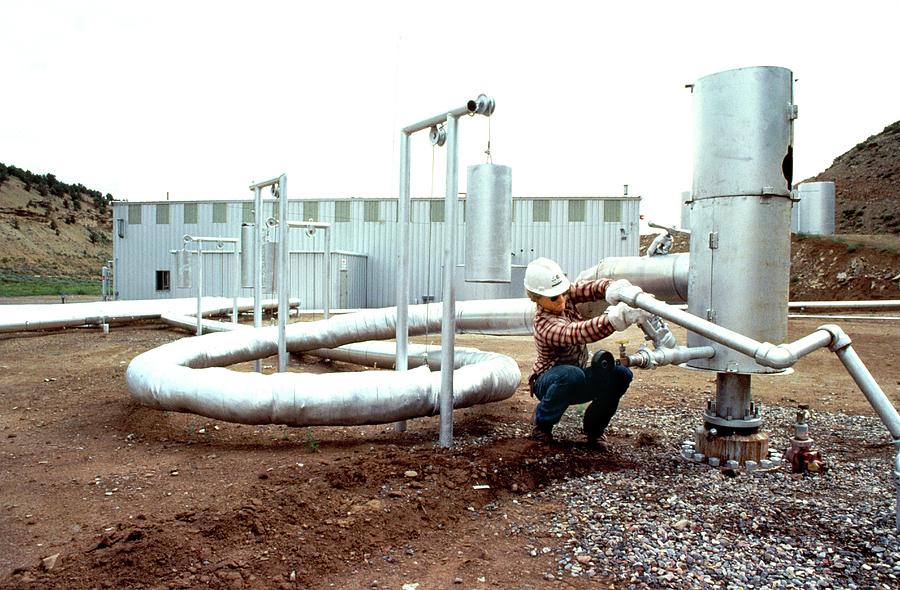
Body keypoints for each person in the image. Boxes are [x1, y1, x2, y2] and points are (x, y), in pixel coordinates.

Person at [524, 257, 648, 444]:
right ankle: (542, 423)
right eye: (554, 297)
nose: (562, 300)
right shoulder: (544, 325)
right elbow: (577, 332)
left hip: (577, 377)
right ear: (536, 299)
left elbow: (590, 288)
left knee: (621, 374)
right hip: (549, 381)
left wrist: (612, 288)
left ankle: (594, 430)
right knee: (571, 374)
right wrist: (615, 319)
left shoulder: (563, 295)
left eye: (564, 293)